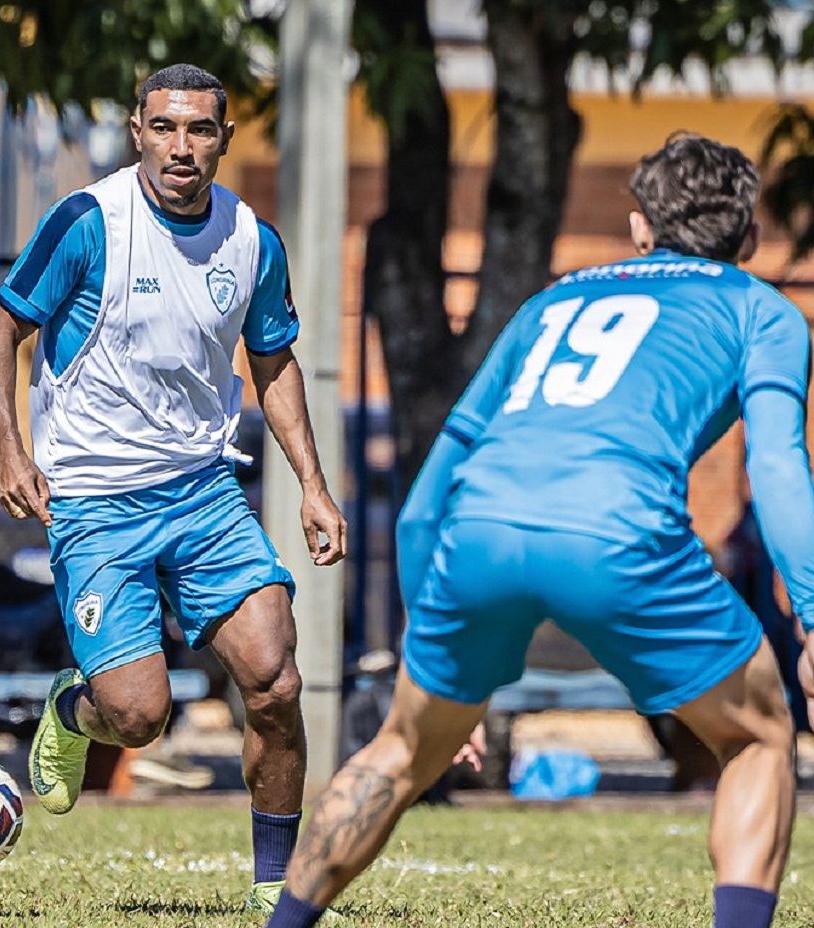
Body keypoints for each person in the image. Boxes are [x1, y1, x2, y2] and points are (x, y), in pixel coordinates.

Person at [264, 133, 814, 928]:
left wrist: (433, 647)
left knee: (401, 749)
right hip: (617, 534)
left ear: (638, 229)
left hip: (478, 532)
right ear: (750, 237)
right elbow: (783, 471)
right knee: (760, 735)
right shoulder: (762, 310)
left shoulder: (553, 302)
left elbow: (427, 498)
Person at [0, 63, 347, 916]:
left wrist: (313, 486)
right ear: (138, 132)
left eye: (201, 129)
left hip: (204, 492)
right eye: (165, 127)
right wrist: (10, 446)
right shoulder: (88, 223)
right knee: (139, 717)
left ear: (223, 137)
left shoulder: (252, 239)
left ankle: (272, 889)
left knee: (275, 680)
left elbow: (274, 359)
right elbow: (3, 326)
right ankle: (75, 710)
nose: (182, 146)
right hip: (97, 503)